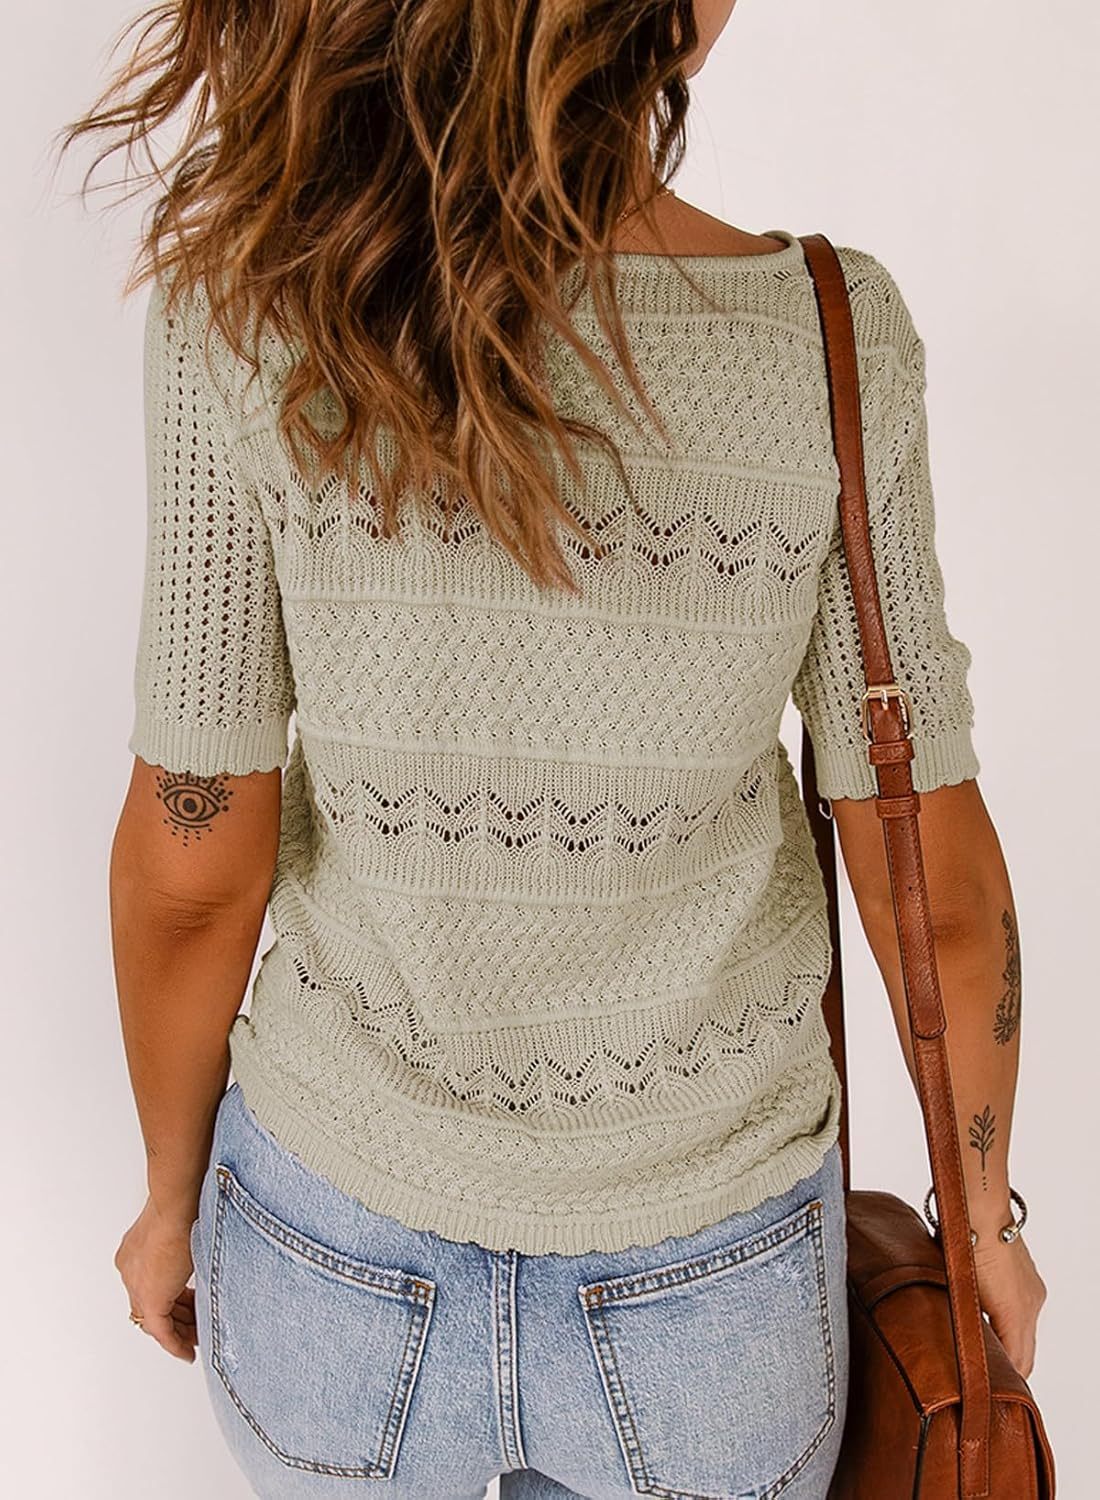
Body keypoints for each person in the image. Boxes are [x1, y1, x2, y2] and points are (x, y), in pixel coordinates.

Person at [61, 0, 1045, 1495]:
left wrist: (165, 1192)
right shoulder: (827, 338)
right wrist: (984, 1222)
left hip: (333, 1251)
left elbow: (197, 866)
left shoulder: (244, 310)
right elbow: (933, 869)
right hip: (715, 1288)